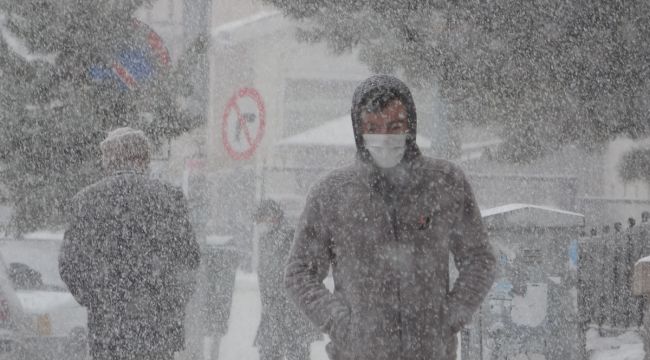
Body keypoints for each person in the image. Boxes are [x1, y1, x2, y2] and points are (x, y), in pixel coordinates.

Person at [285, 75, 497, 360]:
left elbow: (479, 259)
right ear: (358, 131)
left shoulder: (445, 183)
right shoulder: (332, 193)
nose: (384, 137)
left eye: (395, 126)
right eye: (373, 127)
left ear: (411, 125)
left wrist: (448, 319)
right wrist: (341, 323)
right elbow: (299, 273)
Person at [59, 127, 201, 360]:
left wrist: (98, 300)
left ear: (109, 160)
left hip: (108, 330)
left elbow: (70, 264)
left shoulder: (86, 200)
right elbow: (188, 260)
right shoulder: (170, 198)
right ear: (143, 158)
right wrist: (170, 302)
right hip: (159, 331)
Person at [254, 199, 319, 360]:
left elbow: (301, 272)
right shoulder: (266, 240)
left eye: (262, 219)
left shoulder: (290, 237)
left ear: (274, 217)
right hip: (273, 311)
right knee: (271, 351)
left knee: (294, 351)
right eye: (258, 221)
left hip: (291, 310)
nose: (260, 224)